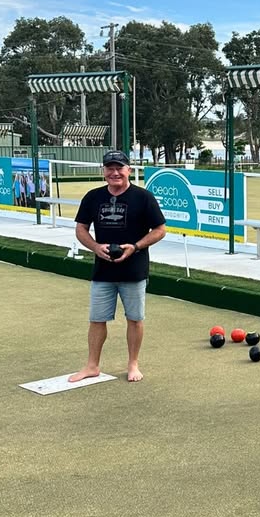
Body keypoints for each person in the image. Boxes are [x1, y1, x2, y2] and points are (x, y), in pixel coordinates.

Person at [69, 150, 166, 384]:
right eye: (109, 168)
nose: (115, 173)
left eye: (119, 168)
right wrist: (95, 247)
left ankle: (133, 364)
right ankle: (92, 365)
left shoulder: (143, 198)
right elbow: (81, 228)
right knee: (97, 319)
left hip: (134, 270)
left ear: (128, 170)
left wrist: (135, 246)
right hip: (103, 271)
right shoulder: (93, 197)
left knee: (134, 318)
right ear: (103, 171)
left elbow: (160, 230)